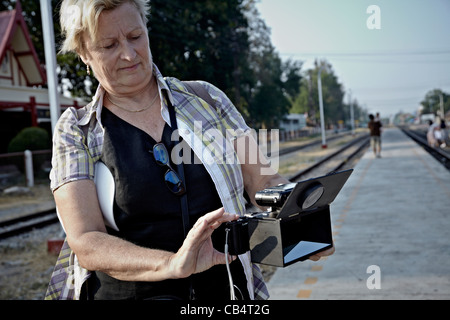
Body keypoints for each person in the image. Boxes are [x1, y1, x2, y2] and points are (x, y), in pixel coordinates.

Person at [46, 0, 334, 300]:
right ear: (83, 53)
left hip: (228, 292)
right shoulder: (77, 131)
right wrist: (172, 264)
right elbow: (87, 242)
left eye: (135, 36)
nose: (129, 54)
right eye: (108, 45)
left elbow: (262, 181)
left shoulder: (208, 99)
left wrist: (301, 219)